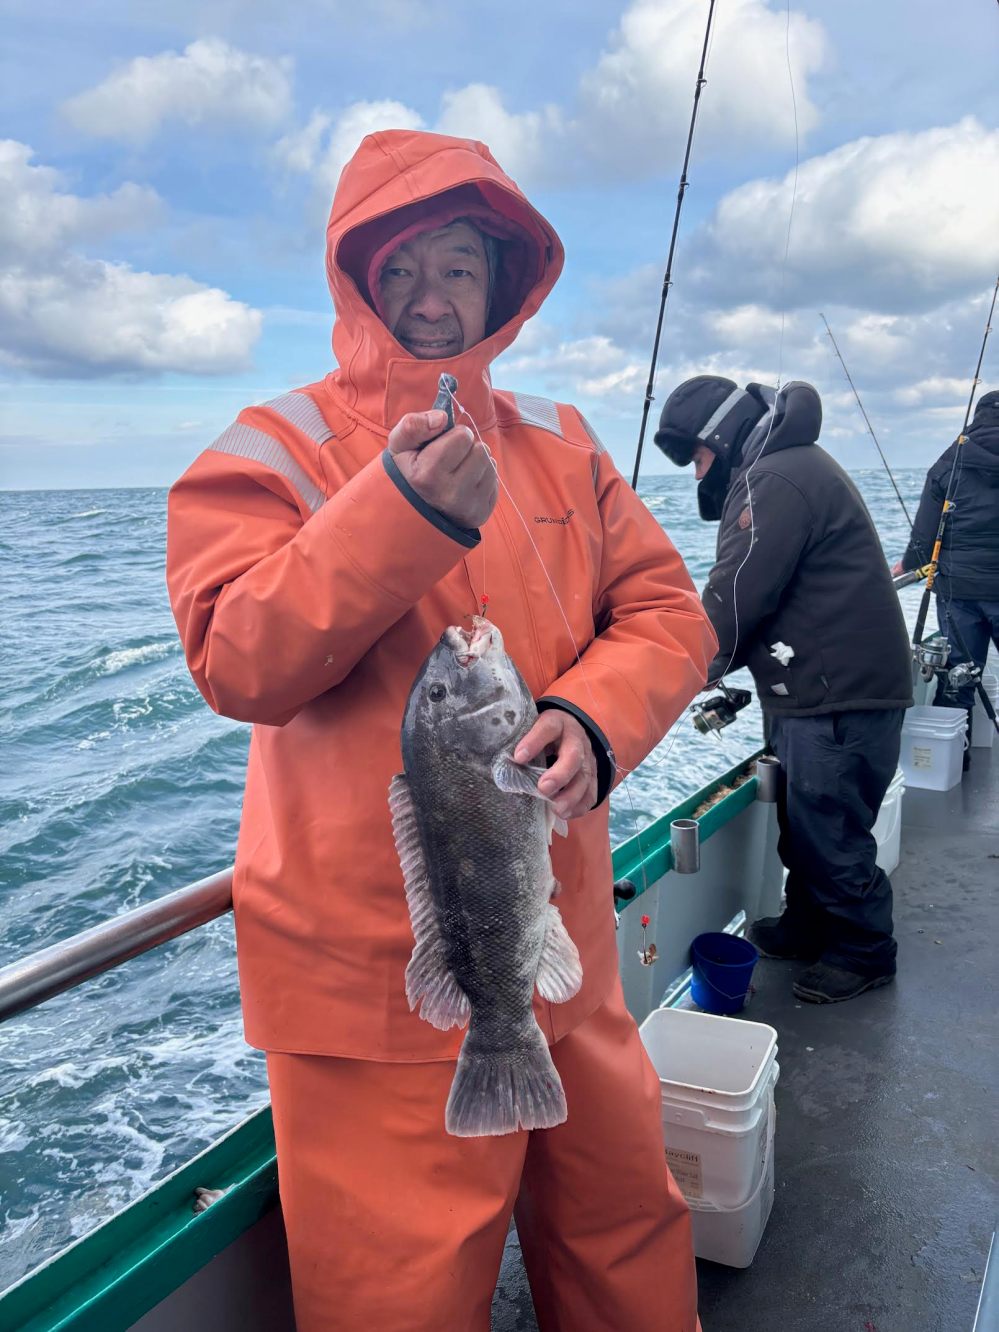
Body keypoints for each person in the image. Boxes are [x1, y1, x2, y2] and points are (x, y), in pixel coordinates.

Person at [167, 129, 716, 1331]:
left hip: (564, 947)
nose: (430, 297)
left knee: (628, 1234)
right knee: (395, 1303)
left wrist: (594, 716)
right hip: (372, 997)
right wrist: (401, 509)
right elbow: (234, 656)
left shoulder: (566, 443)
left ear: (502, 280)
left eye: (458, 265)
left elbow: (669, 614)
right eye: (401, 268)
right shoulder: (271, 450)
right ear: (356, 283)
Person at [655, 375, 913, 1004]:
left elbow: (735, 596)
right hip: (819, 688)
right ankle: (808, 923)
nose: (698, 476)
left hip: (837, 695)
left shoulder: (772, 480)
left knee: (830, 828)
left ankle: (863, 950)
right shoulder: (787, 467)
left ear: (719, 437)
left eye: (698, 459)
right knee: (804, 822)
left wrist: (665, 671)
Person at [894, 389, 999, 730]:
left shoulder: (949, 461)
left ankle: (956, 754)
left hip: (958, 591)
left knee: (959, 679)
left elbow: (924, 535)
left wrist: (907, 564)